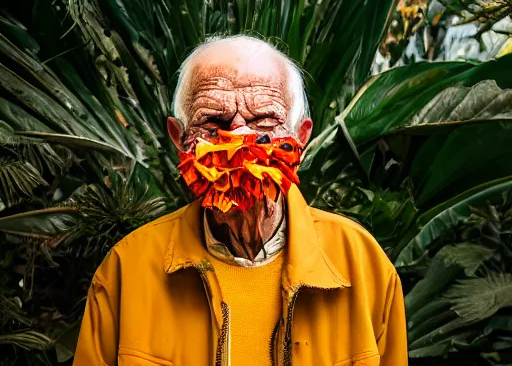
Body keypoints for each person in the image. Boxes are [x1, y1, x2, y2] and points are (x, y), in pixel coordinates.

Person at [73, 35, 408, 366]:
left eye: (263, 121)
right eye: (214, 123)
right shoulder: (127, 271)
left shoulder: (363, 267)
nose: (238, 139)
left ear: (299, 140)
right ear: (181, 139)